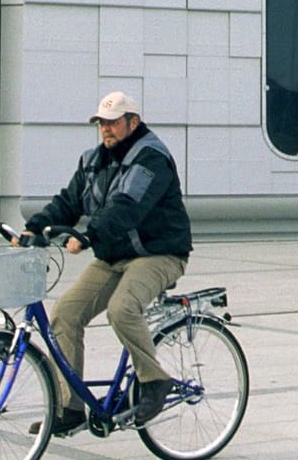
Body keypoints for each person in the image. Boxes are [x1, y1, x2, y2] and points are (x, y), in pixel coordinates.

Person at [17, 91, 192, 437]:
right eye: (101, 123)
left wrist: (88, 236)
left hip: (159, 253)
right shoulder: (93, 160)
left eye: (113, 122)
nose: (106, 130)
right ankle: (68, 408)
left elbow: (128, 207)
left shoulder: (151, 158)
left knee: (122, 308)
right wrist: (34, 227)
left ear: (133, 122)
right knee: (65, 313)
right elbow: (68, 202)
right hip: (114, 256)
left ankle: (155, 381)